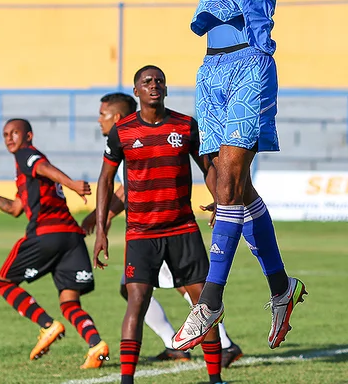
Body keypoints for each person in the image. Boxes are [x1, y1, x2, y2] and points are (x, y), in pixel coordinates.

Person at [153, 0, 305, 352]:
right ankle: (280, 285)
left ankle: (210, 301)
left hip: (249, 64)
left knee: (230, 186)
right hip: (211, 71)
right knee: (224, 186)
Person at [82, 92, 244, 367]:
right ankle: (179, 343)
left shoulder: (141, 136)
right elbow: (127, 191)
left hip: (163, 228)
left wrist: (103, 216)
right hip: (149, 230)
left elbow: (132, 189)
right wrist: (102, 215)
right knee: (142, 289)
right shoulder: (126, 141)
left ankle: (221, 345)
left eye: (103, 114)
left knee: (186, 288)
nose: (99, 120)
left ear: (118, 117)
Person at [0, 119, 109, 368]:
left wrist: (73, 184)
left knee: (3, 283)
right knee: (69, 301)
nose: (9, 138)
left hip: (46, 233)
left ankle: (47, 325)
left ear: (28, 136)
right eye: (5, 134)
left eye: (15, 133)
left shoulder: (26, 155)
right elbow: (14, 208)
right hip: (71, 237)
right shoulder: (26, 172)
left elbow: (44, 166)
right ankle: (96, 345)